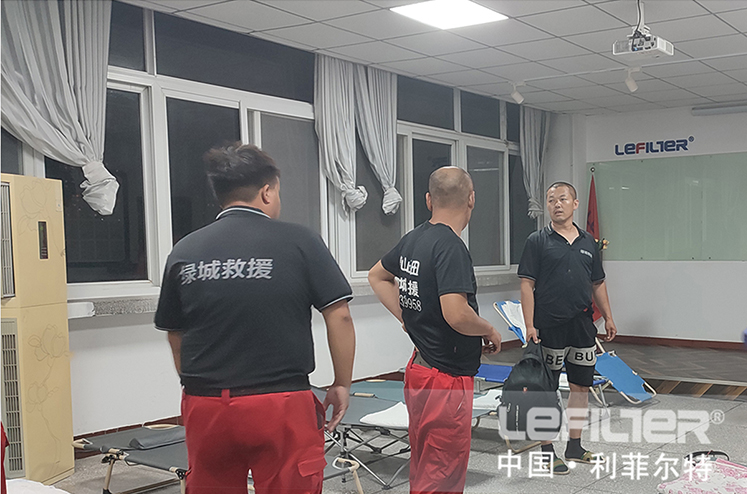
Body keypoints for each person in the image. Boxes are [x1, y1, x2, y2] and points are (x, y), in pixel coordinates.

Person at [155, 143, 356, 494]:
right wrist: (341, 383)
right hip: (281, 404)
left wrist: (197, 386)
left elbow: (175, 333)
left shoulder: (185, 250)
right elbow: (339, 315)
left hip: (206, 404)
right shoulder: (300, 241)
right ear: (267, 192)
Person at [368, 166, 502, 494]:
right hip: (446, 379)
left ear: (429, 200)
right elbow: (457, 314)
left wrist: (406, 316)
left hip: (420, 369)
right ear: (471, 199)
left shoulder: (415, 238)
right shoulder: (451, 247)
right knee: (442, 472)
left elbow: (377, 276)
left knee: (425, 462)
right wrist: (488, 329)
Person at [518, 181, 617, 474]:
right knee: (546, 390)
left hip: (582, 325)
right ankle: (547, 450)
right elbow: (526, 284)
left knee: (581, 386)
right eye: (551, 200)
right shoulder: (537, 241)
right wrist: (529, 324)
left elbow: (597, 283)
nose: (556, 204)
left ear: (575, 204)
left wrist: (609, 317)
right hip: (549, 325)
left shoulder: (588, 242)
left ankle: (575, 445)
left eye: (562, 199)